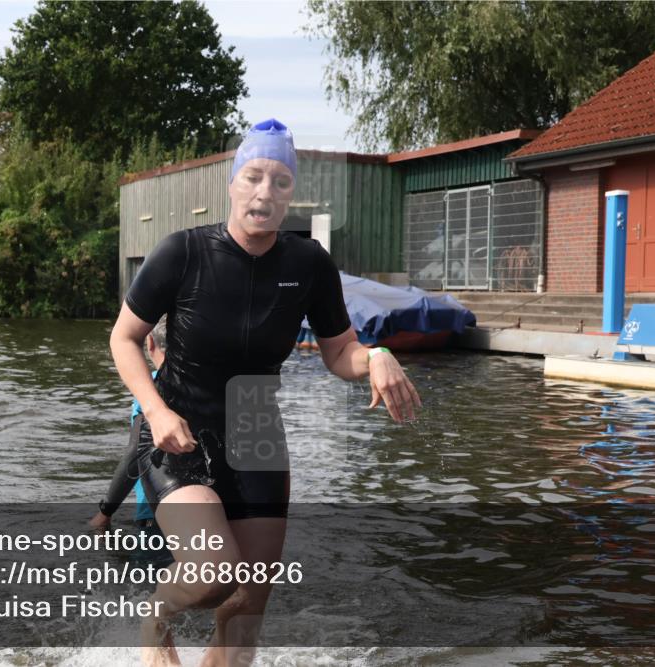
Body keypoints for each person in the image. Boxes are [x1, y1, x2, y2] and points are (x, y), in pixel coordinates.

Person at [109, 118, 422, 667]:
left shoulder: (308, 265)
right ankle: (156, 619)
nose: (265, 192)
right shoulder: (182, 253)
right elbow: (125, 338)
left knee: (247, 608)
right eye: (254, 176)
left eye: (280, 181)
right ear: (232, 184)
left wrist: (375, 356)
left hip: (256, 427)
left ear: (291, 193)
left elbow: (337, 350)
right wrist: (155, 411)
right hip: (179, 424)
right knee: (212, 574)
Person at [90, 317, 167, 532]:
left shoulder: (150, 386)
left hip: (156, 516)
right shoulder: (214, 385)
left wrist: (105, 512)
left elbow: (136, 451)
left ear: (150, 343)